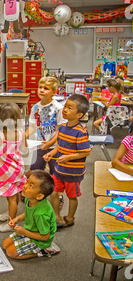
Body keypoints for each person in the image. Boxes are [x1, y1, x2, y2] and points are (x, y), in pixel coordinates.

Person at [44, 94, 91, 228]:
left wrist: (68, 157)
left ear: (79, 115)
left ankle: (70, 218)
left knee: (72, 196)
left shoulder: (80, 132)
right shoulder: (63, 128)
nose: (65, 110)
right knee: (54, 192)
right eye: (65, 106)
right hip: (60, 170)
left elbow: (86, 151)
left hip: (73, 173)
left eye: (69, 108)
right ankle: (57, 217)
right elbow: (60, 145)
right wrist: (51, 153)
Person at [0, 102, 27, 232]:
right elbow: (24, 149)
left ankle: (11, 222)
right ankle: (11, 213)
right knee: (14, 193)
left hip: (5, 171)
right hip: (18, 168)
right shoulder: (21, 132)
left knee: (11, 198)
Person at [2, 170, 60, 260]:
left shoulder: (41, 214)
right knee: (5, 245)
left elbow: (45, 237)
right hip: (30, 231)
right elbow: (28, 213)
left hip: (40, 241)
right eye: (27, 181)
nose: (25, 186)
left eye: (30, 185)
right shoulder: (30, 198)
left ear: (39, 196)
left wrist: (24, 232)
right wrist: (16, 219)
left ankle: (44, 251)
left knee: (10, 253)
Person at [25, 76, 65, 175]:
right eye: (40, 87)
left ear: (54, 92)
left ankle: (55, 190)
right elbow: (33, 126)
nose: (41, 90)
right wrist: (23, 137)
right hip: (39, 145)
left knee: (55, 173)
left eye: (46, 88)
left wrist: (51, 143)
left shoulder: (58, 108)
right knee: (35, 171)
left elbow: (61, 130)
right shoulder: (35, 107)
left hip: (55, 147)